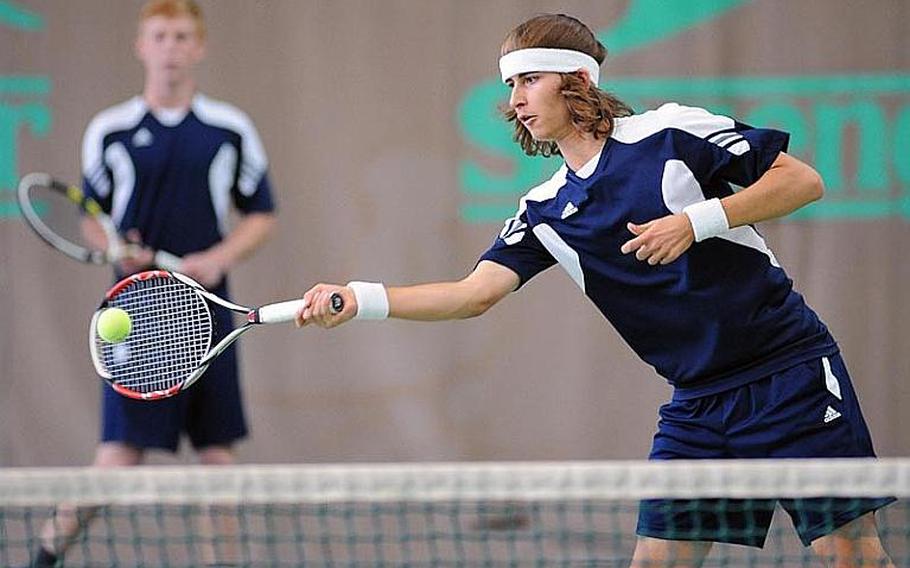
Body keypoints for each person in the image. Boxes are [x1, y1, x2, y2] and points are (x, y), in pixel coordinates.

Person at [297, 13, 895, 567]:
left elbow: (802, 180)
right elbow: (472, 294)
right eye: (512, 86)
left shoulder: (669, 132)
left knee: (848, 555)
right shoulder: (543, 210)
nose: (515, 101)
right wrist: (359, 298)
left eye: (530, 80)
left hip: (787, 372)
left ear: (577, 79)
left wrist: (697, 220)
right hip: (697, 402)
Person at [31, 1, 276, 566]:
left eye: (182, 36)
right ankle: (41, 559)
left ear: (199, 47)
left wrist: (217, 257)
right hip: (134, 313)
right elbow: (90, 215)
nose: (171, 47)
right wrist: (114, 248)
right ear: (142, 46)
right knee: (117, 456)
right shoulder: (110, 130)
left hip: (209, 310)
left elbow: (262, 213)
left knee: (218, 460)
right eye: (160, 36)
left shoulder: (229, 129)